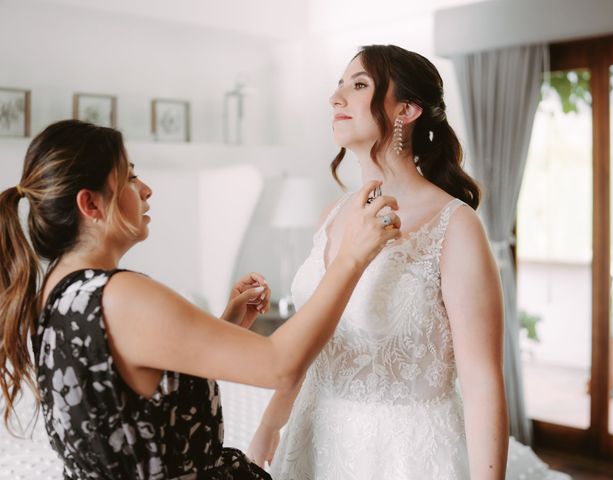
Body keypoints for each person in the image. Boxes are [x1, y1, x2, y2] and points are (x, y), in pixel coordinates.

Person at [0, 119, 401, 479]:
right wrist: (351, 257)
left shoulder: (55, 292)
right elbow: (281, 366)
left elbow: (132, 400)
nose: (145, 189)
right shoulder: (119, 296)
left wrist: (225, 326)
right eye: (129, 177)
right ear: (90, 204)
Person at [247, 45, 570, 480]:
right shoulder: (332, 216)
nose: (335, 98)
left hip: (407, 455)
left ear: (407, 111)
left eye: (358, 85)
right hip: (315, 443)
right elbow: (310, 345)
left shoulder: (454, 225)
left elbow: (481, 382)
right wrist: (269, 427)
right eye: (338, 85)